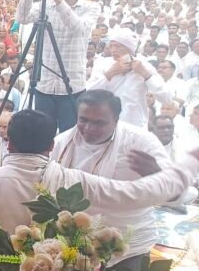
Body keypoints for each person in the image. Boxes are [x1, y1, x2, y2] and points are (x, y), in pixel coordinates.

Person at [0, 109, 199, 264]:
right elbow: (135, 195)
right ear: (51, 146)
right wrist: (186, 168)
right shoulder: (75, 182)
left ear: (8, 143)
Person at [51, 90, 178, 260]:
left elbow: (178, 193)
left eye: (99, 123)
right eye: (83, 120)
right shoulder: (62, 143)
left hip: (129, 245)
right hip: (76, 245)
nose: (89, 128)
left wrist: (158, 174)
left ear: (116, 120)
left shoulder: (141, 142)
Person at [15, 0, 101, 132]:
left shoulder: (91, 7)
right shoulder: (45, 5)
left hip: (72, 86)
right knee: (42, 135)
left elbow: (79, 28)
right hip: (44, 85)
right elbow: (21, 18)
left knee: (69, 137)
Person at [87, 28, 172, 128]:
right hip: (106, 124)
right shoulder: (102, 64)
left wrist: (145, 74)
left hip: (135, 125)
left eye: (117, 46)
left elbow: (166, 98)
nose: (113, 50)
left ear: (129, 48)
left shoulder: (143, 66)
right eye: (111, 46)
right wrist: (110, 74)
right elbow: (88, 94)